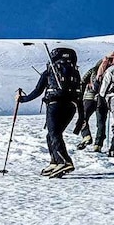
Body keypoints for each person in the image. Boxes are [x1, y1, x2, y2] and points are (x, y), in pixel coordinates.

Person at [16, 48, 83, 178]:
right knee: (52, 135)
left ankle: (64, 161)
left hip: (55, 104)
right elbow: (79, 94)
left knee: (54, 134)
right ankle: (55, 161)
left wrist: (22, 99)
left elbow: (37, 91)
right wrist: (81, 118)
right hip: (71, 106)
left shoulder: (50, 70)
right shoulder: (75, 72)